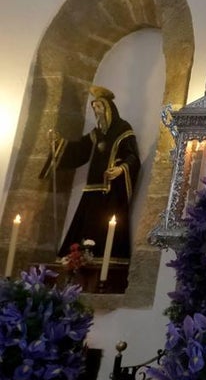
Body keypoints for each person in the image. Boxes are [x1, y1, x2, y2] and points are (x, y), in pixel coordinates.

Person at [41, 86, 139, 259]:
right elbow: (78, 150)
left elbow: (132, 156)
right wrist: (59, 143)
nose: (96, 111)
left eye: (99, 107)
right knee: (85, 227)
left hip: (110, 189)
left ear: (109, 108)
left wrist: (120, 169)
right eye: (94, 108)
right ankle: (76, 258)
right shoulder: (96, 134)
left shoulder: (123, 129)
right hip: (91, 188)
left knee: (107, 226)